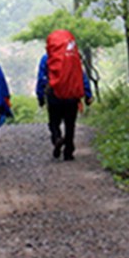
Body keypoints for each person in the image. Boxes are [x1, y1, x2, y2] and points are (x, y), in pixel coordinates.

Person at [36, 29, 92, 162]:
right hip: (72, 95)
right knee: (70, 124)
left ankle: (57, 138)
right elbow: (81, 76)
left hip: (54, 94)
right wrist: (87, 94)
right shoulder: (73, 58)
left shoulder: (46, 58)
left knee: (54, 122)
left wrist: (40, 97)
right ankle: (68, 151)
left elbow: (41, 79)